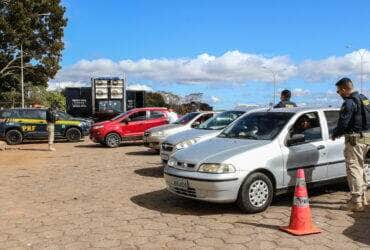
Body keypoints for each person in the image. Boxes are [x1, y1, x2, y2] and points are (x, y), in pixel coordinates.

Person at [332, 77, 370, 212]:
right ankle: (363, 198)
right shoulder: (364, 98)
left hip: (355, 140)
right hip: (367, 138)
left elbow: (343, 123)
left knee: (353, 169)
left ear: (344, 89)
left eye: (338, 91)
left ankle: (356, 201)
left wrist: (335, 134)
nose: (339, 94)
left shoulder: (349, 102)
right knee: (361, 168)